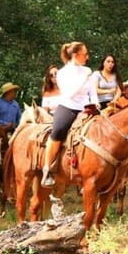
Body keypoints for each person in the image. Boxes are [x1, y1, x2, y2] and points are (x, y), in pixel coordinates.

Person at [41, 42, 99, 187]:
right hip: (69, 107)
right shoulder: (62, 73)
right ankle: (48, 169)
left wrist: (96, 102)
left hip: (87, 108)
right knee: (58, 131)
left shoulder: (87, 70)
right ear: (75, 55)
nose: (87, 57)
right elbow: (69, 94)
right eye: (85, 54)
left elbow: (92, 91)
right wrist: (84, 77)